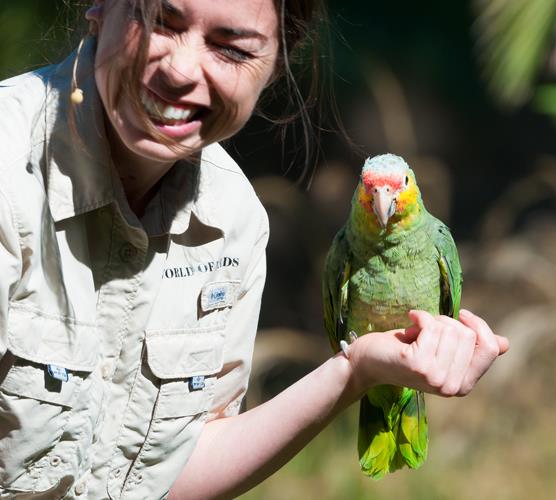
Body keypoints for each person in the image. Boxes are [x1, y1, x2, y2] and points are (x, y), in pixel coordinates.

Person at [0, 0, 509, 498]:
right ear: (100, 6)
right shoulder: (9, 165)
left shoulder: (234, 218)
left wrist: (357, 370)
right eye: (158, 21)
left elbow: (170, 470)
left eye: (233, 49)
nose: (179, 70)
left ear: (275, 68)